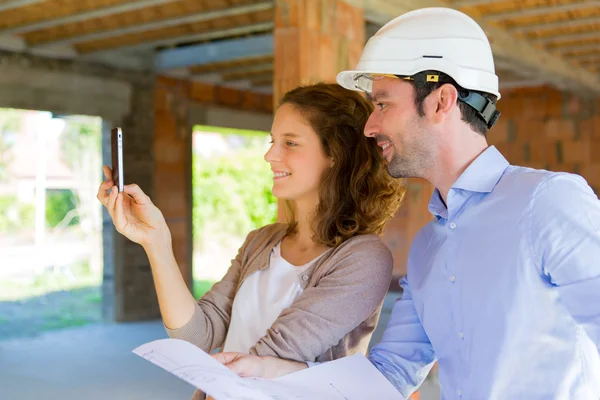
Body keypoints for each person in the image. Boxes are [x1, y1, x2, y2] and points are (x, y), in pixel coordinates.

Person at [212, 7, 600, 400]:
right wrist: (267, 368)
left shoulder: (546, 202)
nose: (369, 126)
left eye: (382, 104)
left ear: (440, 102)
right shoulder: (428, 247)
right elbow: (391, 375)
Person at [97, 83, 405, 399]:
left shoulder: (364, 258)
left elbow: (264, 365)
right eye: (273, 141)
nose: (270, 154)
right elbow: (195, 337)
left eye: (290, 143)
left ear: (336, 155)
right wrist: (156, 241)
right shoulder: (262, 241)